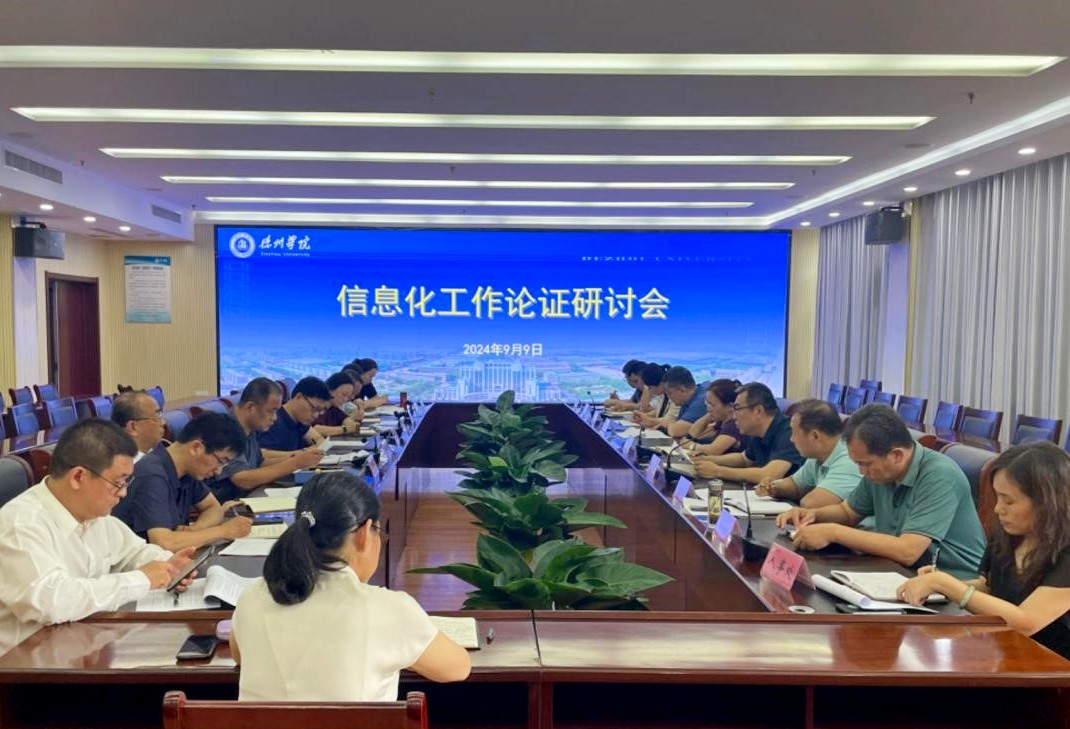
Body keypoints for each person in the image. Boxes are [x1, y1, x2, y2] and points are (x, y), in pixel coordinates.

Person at [231, 471, 471, 700]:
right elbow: (457, 668)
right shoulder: (389, 609)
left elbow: (239, 655)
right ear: (364, 533)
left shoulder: (252, 597)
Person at [0, 419, 195, 655]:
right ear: (78, 477)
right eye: (118, 482)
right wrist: (142, 578)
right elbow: (52, 602)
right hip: (24, 663)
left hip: (82, 645)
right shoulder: (21, 524)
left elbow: (134, 552)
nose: (123, 493)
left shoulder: (94, 515)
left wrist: (168, 566)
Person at [898, 442, 1070, 658]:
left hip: (1056, 666)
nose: (998, 509)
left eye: (1009, 501)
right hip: (1009, 653)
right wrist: (940, 584)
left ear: (1047, 502)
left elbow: (1027, 622)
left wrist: (946, 584)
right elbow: (990, 588)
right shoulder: (1009, 535)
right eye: (998, 497)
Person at [777, 404, 985, 579]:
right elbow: (848, 512)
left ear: (897, 455)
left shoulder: (939, 475)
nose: (861, 472)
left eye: (865, 464)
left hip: (953, 585)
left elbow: (908, 551)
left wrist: (833, 532)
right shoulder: (881, 472)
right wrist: (812, 515)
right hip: (900, 572)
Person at [113, 412, 253, 551]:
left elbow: (213, 507)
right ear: (196, 448)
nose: (219, 471)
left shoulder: (188, 469)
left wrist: (195, 530)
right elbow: (164, 543)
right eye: (221, 461)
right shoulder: (151, 475)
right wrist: (223, 531)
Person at [209, 378, 323, 502]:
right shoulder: (227, 428)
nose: (274, 418)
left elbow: (259, 463)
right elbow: (242, 479)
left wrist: (297, 457)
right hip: (224, 503)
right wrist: (295, 463)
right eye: (271, 411)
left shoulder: (250, 427)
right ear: (250, 407)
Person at [756, 399, 861, 509]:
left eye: (794, 433)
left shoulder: (849, 459)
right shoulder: (818, 455)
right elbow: (795, 486)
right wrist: (773, 487)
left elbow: (811, 503)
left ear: (814, 436)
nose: (791, 439)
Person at [694, 382, 803, 482]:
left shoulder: (789, 432)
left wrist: (718, 471)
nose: (734, 416)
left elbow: (769, 475)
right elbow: (744, 459)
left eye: (737, 409)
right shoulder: (757, 431)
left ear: (758, 411)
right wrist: (707, 459)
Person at [260, 376, 331, 453]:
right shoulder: (272, 420)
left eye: (319, 411)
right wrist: (301, 453)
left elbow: (319, 440)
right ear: (299, 397)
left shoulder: (300, 421)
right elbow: (261, 455)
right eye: (314, 408)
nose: (316, 415)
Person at [635, 366, 707, 438]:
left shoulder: (700, 401)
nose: (668, 397)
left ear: (682, 390)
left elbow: (676, 431)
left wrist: (667, 424)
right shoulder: (690, 397)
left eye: (669, 393)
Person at [687, 379, 745, 456]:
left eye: (712, 405)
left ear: (730, 406)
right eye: (707, 403)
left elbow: (713, 450)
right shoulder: (722, 421)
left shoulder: (734, 425)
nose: (708, 408)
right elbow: (693, 433)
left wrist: (691, 446)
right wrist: (710, 414)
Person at [110, 391, 165, 462]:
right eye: (157, 417)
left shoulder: (157, 453)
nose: (163, 422)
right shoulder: (128, 467)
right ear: (133, 427)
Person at [312, 372, 363, 438]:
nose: (345, 399)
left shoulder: (334, 409)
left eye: (348, 396)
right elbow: (315, 430)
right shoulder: (317, 407)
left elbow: (347, 421)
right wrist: (345, 429)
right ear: (330, 390)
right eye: (344, 394)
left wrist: (351, 424)